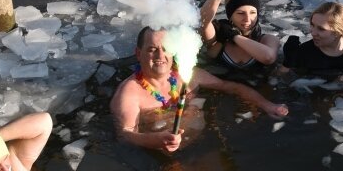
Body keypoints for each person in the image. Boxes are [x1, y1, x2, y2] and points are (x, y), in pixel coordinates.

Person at [111, 27, 288, 152]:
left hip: (204, 143)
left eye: (165, 48)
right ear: (138, 53)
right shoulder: (129, 94)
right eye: (152, 49)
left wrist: (267, 105)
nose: (160, 56)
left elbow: (232, 88)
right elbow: (126, 135)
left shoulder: (188, 75)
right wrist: (155, 141)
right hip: (165, 157)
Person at [199, 0, 280, 70]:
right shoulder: (218, 38)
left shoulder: (267, 40)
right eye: (240, 13)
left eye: (253, 13)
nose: (247, 19)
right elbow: (204, 21)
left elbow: (268, 57)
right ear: (230, 16)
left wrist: (234, 36)